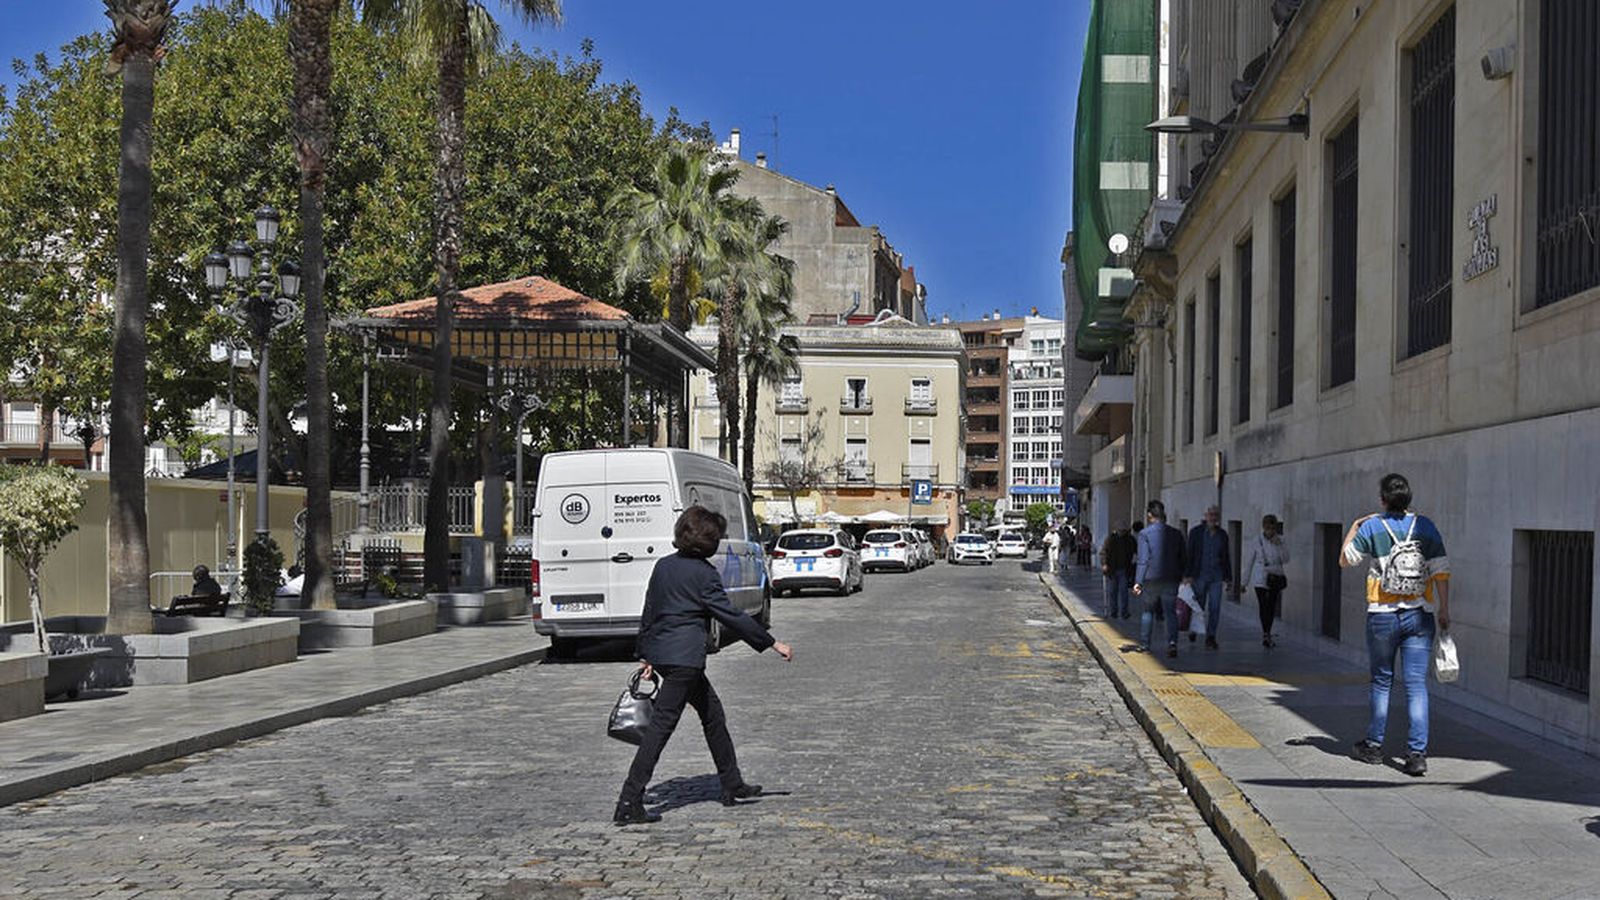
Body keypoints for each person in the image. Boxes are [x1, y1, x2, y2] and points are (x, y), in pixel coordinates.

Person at [615, 506, 795, 825]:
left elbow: (650, 610)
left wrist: (645, 655)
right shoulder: (704, 573)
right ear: (709, 542)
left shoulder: (663, 566)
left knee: (713, 716)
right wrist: (771, 643)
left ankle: (732, 783)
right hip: (685, 661)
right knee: (659, 730)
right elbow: (730, 615)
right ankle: (629, 800)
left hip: (668, 658)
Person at [1341, 473, 1450, 778]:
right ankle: (1416, 755)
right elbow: (1441, 570)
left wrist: (1355, 525)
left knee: (1381, 681)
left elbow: (1344, 560)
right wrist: (1444, 609)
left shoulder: (1373, 526)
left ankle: (1374, 746)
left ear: (1383, 499)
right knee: (1416, 685)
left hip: (1382, 616)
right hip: (1420, 614)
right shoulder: (1425, 526)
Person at [1132, 500, 1187, 657]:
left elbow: (1143, 559)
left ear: (1150, 515)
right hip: (1171, 577)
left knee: (1148, 611)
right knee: (1170, 612)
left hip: (1151, 579)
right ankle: (1172, 643)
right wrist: (1182, 575)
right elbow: (1183, 557)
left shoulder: (1144, 534)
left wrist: (1138, 582)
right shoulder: (1176, 534)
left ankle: (1145, 644)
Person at [1184, 505, 1232, 650]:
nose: (1213, 518)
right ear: (1205, 516)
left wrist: (1228, 577)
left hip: (1216, 576)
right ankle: (1194, 629)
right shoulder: (1196, 533)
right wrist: (1187, 575)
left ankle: (1211, 637)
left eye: (1215, 515)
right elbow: (1189, 554)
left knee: (1215, 607)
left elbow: (1226, 557)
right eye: (1210, 515)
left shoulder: (1222, 535)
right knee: (1198, 605)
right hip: (1199, 576)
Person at [1243, 514, 1290, 647]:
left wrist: (1279, 545)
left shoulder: (1281, 540)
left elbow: (1286, 559)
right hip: (1260, 578)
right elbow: (1249, 562)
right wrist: (1244, 582)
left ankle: (1267, 631)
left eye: (1272, 528)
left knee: (1271, 606)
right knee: (1263, 606)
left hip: (1275, 576)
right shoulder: (1257, 540)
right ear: (1264, 527)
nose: (1270, 530)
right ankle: (1266, 633)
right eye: (1267, 527)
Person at [1100, 522, 1136, 619]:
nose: (1122, 532)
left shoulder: (1130, 540)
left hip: (1124, 569)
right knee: (1112, 592)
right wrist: (1104, 564)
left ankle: (1124, 612)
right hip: (1112, 569)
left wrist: (1134, 561)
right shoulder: (1110, 539)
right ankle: (1113, 612)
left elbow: (1136, 551)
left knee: (1124, 592)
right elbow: (1103, 552)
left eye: (1124, 531)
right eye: (1120, 530)